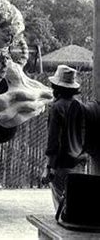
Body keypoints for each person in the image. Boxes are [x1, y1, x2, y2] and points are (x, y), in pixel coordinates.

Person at [42, 65, 87, 211]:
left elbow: (54, 141)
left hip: (62, 166)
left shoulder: (57, 108)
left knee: (61, 210)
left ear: (56, 87)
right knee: (76, 206)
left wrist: (49, 168)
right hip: (79, 165)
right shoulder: (81, 106)